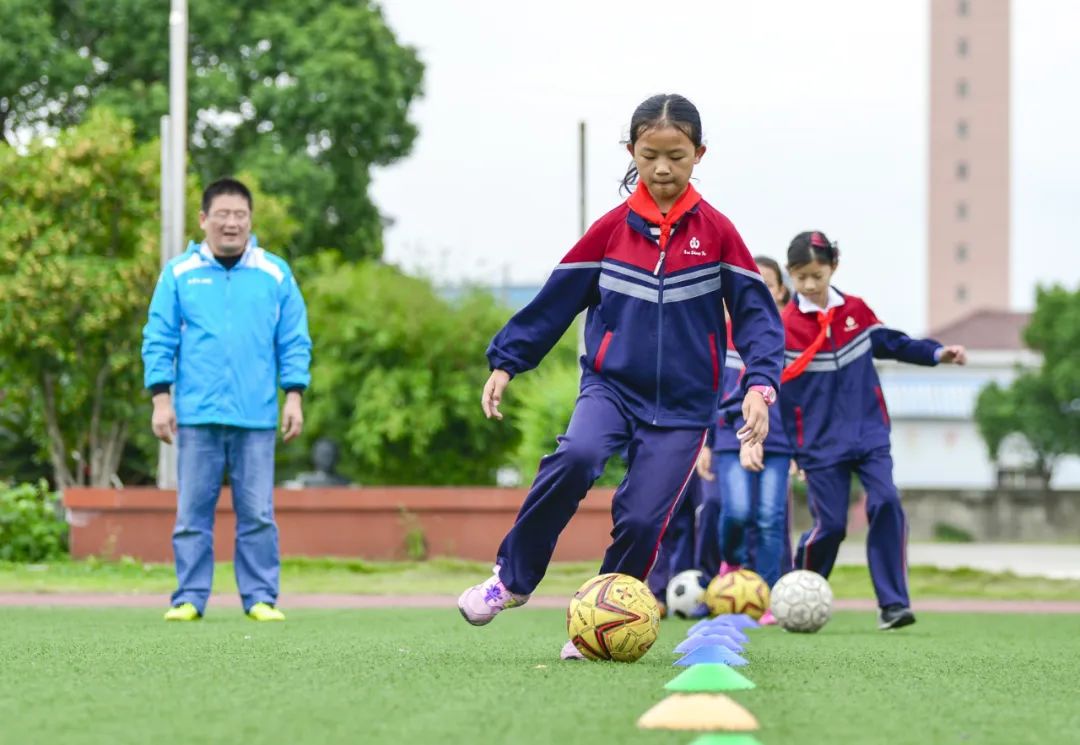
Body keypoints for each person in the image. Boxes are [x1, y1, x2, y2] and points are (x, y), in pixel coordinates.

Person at [455, 94, 785, 659]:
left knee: (640, 518)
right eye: (651, 154)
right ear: (631, 150)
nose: (662, 168)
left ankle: (597, 627)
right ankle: (509, 580)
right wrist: (507, 359)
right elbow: (556, 301)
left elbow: (757, 316)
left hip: (684, 409)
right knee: (577, 456)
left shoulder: (720, 234)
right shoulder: (609, 232)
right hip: (611, 387)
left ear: (699, 154)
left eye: (677, 156)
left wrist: (760, 384)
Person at [141, 177, 312, 622]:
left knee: (256, 513)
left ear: (250, 220)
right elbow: (158, 337)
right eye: (222, 215)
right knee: (191, 513)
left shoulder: (275, 273)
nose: (231, 223)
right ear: (204, 219)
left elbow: (293, 340)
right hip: (196, 416)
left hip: (256, 416)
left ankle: (260, 597)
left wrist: (293, 395)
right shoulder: (180, 273)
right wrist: (161, 398)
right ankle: (188, 598)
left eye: (240, 215)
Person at [779, 231, 966, 629]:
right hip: (818, 443)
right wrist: (790, 449)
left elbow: (893, 344)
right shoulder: (784, 327)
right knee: (830, 527)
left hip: (868, 434)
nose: (810, 285)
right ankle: (799, 591)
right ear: (790, 276)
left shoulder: (856, 312)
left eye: (817, 274)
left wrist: (937, 353)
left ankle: (894, 605)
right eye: (800, 277)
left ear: (833, 268)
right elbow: (777, 395)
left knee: (886, 502)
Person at [697, 256, 793, 625]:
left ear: (780, 291)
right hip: (726, 437)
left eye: (768, 285)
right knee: (735, 510)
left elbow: (800, 397)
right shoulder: (719, 337)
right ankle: (731, 565)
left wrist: (801, 450)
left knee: (770, 517)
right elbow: (707, 395)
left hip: (779, 443)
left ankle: (767, 597)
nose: (761, 293)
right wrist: (704, 443)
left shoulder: (785, 335)